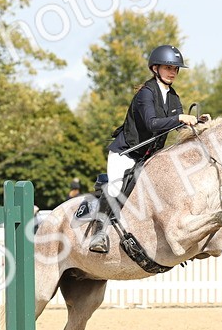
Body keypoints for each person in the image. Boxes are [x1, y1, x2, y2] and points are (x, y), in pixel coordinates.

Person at [85, 44, 209, 253]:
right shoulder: (146, 94)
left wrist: (197, 122)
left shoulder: (173, 97)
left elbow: (177, 127)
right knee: (115, 187)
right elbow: (152, 124)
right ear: (155, 68)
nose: (173, 72)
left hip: (149, 157)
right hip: (126, 152)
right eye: (168, 67)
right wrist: (180, 117)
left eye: (175, 69)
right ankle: (99, 233)